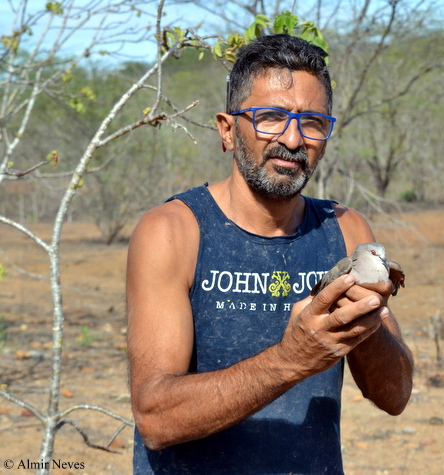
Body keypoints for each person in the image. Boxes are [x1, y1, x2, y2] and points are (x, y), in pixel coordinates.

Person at [127, 33, 413, 474]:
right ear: (227, 129)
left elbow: (394, 396)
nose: (294, 139)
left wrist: (368, 320)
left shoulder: (345, 229)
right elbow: (156, 419)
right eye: (271, 118)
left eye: (313, 122)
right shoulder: (173, 231)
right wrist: (292, 359)